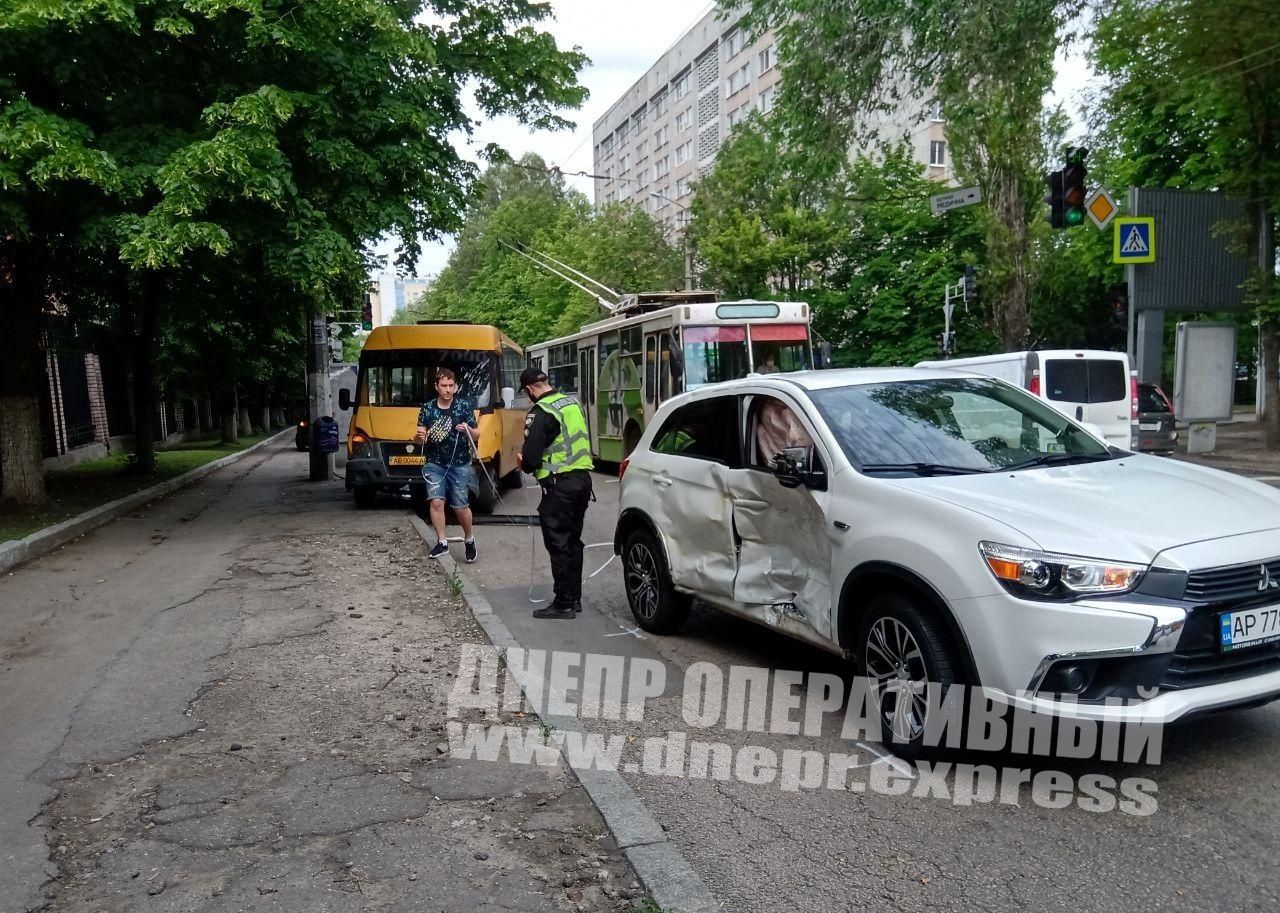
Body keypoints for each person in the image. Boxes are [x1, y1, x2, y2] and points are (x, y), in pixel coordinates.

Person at [518, 366, 594, 619]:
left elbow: (531, 459)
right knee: (573, 541)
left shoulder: (541, 411)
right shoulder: (571, 403)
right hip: (582, 481)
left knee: (558, 544)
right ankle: (574, 598)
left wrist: (522, 463)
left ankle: (563, 603)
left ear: (529, 389)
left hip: (559, 486)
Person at [415, 367, 480, 562]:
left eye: (451, 385)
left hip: (459, 464)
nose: (448, 389)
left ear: (455, 386)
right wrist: (419, 437)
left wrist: (467, 429)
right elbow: (418, 437)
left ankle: (469, 539)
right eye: (444, 385)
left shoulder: (463, 406)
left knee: (460, 506)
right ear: (437, 386)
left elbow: (477, 435)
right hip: (434, 463)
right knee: (436, 501)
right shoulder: (427, 408)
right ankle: (442, 542)